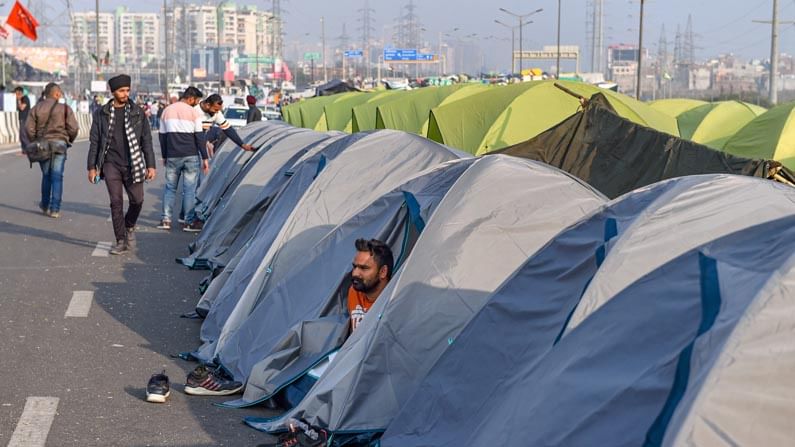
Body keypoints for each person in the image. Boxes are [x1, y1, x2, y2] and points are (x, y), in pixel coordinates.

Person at [87, 74, 156, 255]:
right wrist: (91, 167)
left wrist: (151, 165)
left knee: (137, 200)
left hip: (133, 164)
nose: (125, 94)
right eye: (121, 91)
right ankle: (120, 240)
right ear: (113, 92)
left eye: (127, 90)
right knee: (115, 202)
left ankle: (129, 225)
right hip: (111, 164)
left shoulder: (138, 113)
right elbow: (95, 142)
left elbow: (146, 141)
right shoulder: (101, 113)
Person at [157, 86, 207, 232]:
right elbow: (199, 137)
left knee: (170, 189)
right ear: (191, 98)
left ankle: (166, 220)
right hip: (191, 155)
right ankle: (188, 222)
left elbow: (162, 137)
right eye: (196, 101)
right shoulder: (193, 113)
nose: (196, 104)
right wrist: (204, 157)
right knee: (189, 191)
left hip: (172, 155)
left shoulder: (167, 110)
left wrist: (165, 155)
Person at [26, 82, 79, 218]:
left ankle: (44, 205)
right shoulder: (65, 109)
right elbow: (74, 128)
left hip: (42, 145)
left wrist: (35, 140)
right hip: (60, 144)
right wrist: (68, 140)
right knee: (57, 176)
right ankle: (55, 209)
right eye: (59, 93)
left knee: (46, 175)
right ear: (56, 94)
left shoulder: (37, 108)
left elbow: (29, 128)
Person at [196, 93, 254, 160]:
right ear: (208, 105)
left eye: (218, 110)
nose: (216, 112)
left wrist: (242, 145)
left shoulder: (216, 114)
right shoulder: (194, 109)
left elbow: (228, 129)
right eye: (215, 110)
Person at [15, 86, 30, 153]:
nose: (16, 95)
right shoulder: (21, 99)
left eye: (16, 93)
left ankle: (29, 149)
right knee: (21, 135)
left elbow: (22, 108)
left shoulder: (25, 98)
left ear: (19, 92)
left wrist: (18, 100)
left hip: (25, 118)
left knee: (23, 135)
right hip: (21, 118)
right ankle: (24, 150)